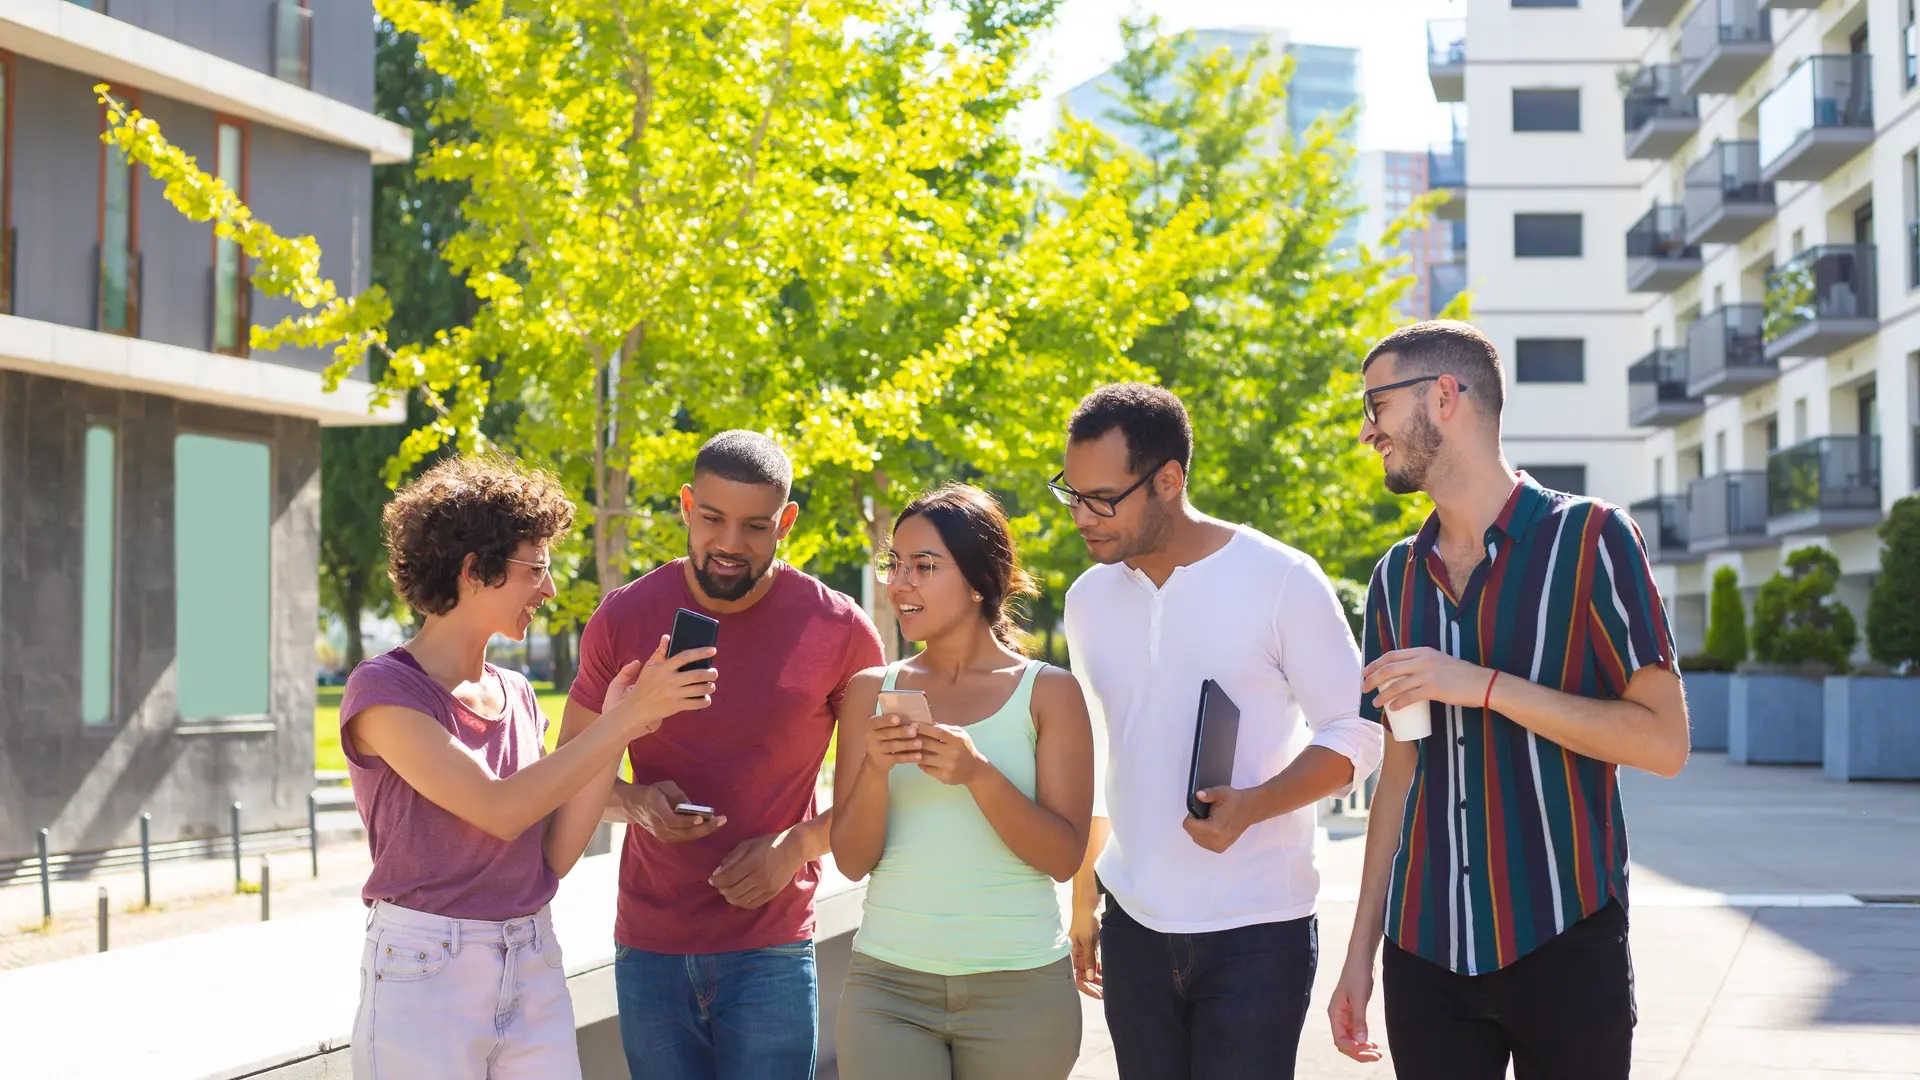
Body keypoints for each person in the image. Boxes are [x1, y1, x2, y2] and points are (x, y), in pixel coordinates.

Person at [1328, 321, 1689, 1080]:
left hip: (1566, 939)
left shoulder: (1594, 540)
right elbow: (1397, 778)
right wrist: (1358, 955)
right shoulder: (1394, 578)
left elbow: (1664, 744)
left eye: (1378, 406)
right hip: (1422, 954)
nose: (1368, 431)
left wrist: (1485, 687)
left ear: (1445, 396)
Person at [339, 455, 719, 1080]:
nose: (547, 590)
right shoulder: (383, 692)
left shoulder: (516, 692)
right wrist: (620, 724)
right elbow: (499, 808)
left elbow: (553, 856)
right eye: (535, 569)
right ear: (473, 570)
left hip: (533, 955)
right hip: (425, 968)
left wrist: (622, 722)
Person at [1057, 383, 1385, 1080]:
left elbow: (1357, 731)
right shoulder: (1086, 600)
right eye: (1072, 494)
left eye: (1103, 498)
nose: (1082, 517)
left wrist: (1255, 805)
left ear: (1169, 480)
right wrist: (1086, 891)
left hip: (1258, 931)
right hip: (1134, 926)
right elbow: (1103, 751)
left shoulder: (1282, 579)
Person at [558, 430, 884, 1080]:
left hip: (772, 945)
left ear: (785, 521)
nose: (730, 543)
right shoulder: (624, 616)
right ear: (685, 506)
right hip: (650, 941)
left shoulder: (840, 630)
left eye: (755, 526)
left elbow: (878, 795)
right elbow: (567, 767)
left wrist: (792, 848)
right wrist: (637, 803)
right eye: (712, 519)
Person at [830, 483, 1096, 1080]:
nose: (901, 582)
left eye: (925, 566)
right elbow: (850, 860)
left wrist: (978, 775)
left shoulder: (1049, 692)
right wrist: (875, 769)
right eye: (894, 563)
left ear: (978, 579)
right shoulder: (870, 691)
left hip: (1022, 990)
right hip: (887, 989)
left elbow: (1062, 855)